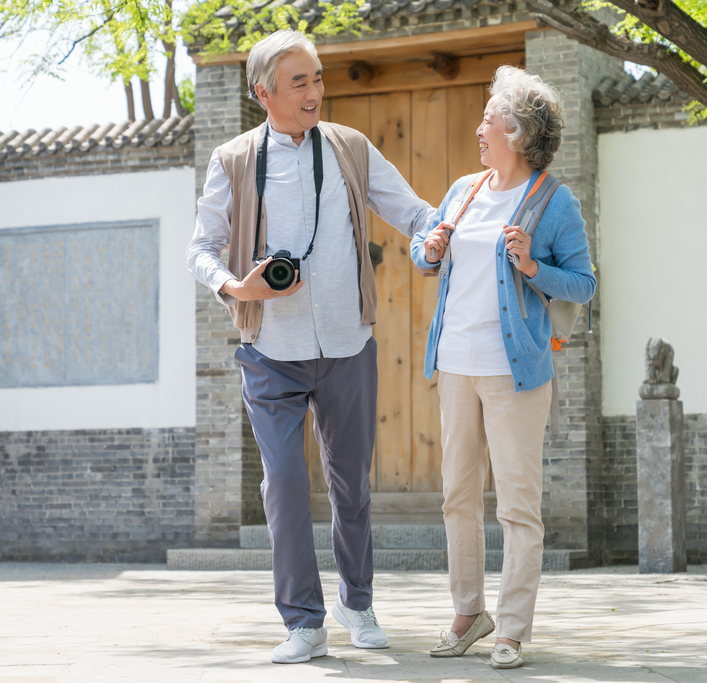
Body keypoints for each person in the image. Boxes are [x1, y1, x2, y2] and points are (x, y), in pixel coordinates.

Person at [186, 30, 435, 664]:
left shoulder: (350, 148)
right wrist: (235, 285)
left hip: (348, 343)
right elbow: (200, 249)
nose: (314, 91)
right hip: (270, 348)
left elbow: (410, 211)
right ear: (263, 93)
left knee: (350, 484)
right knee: (285, 484)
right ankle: (303, 621)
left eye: (318, 78)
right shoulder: (234, 160)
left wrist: (444, 229)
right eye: (300, 82)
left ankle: (357, 601)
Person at [409, 65, 596, 670]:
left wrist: (534, 268)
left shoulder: (552, 200)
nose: (480, 129)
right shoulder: (464, 189)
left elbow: (584, 283)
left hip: (515, 371)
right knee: (457, 497)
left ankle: (511, 628)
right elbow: (425, 252)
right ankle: (469, 614)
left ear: (516, 132)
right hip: (457, 365)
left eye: (490, 119)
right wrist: (428, 250)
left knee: (517, 505)